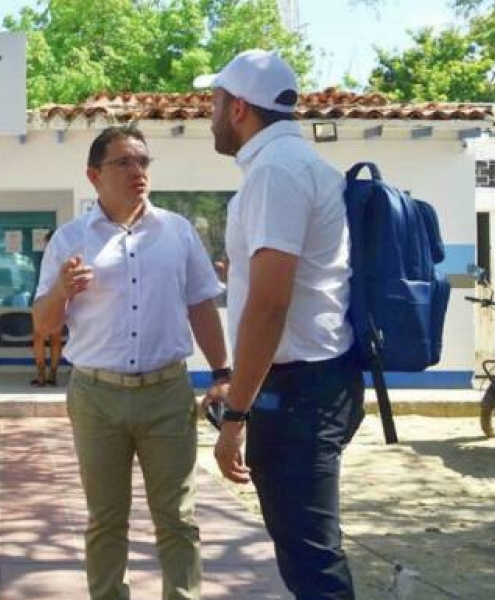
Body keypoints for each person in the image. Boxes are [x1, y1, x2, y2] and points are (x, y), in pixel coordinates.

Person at [34, 124, 231, 600]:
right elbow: (43, 324)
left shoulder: (177, 232)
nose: (137, 171)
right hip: (96, 397)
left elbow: (202, 305)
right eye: (124, 162)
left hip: (167, 393)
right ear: (94, 174)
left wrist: (223, 373)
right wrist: (62, 289)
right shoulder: (70, 239)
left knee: (177, 517)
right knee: (105, 520)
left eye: (143, 162)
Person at [197, 49, 365, 600]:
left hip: (298, 393)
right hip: (314, 384)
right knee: (304, 549)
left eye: (215, 101)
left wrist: (235, 415)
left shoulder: (274, 172)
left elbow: (269, 305)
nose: (211, 112)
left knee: (312, 560)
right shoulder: (298, 164)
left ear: (240, 107)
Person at [31, 230, 63, 387]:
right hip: (58, 298)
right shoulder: (63, 256)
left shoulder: (45, 257)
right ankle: (52, 374)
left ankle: (42, 374)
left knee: (39, 337)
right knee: (54, 338)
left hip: (46, 297)